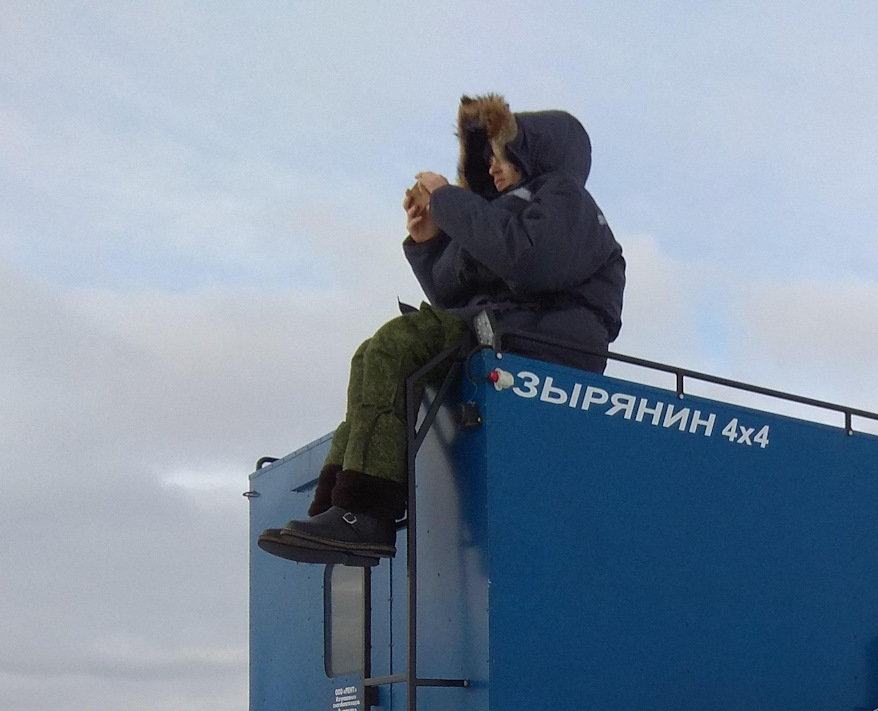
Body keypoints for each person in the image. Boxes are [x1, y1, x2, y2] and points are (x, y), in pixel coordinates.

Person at [260, 95, 626, 563]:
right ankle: (338, 507)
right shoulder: (507, 213)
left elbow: (528, 261)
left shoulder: (565, 199)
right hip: (498, 328)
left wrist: (449, 199)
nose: (492, 166)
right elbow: (455, 297)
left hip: (537, 342)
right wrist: (429, 243)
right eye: (488, 156)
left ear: (531, 151)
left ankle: (364, 514)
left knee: (397, 342)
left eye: (501, 154)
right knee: (372, 356)